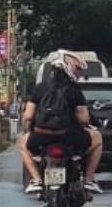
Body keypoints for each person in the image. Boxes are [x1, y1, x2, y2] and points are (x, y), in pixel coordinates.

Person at [18, 52, 103, 196]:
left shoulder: (40, 88)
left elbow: (28, 116)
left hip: (41, 137)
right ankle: (89, 179)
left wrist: (29, 131)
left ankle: (36, 180)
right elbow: (84, 119)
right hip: (69, 137)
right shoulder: (74, 89)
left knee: (22, 143)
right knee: (98, 139)